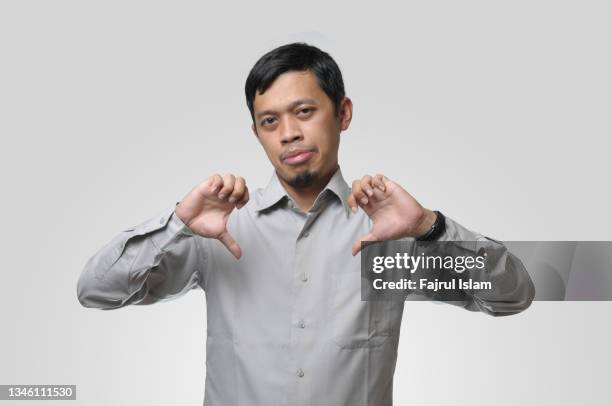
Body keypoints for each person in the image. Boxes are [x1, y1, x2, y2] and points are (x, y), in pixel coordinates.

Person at [77, 42, 535, 406]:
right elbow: (95, 290)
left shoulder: (386, 235)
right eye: (269, 121)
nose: (288, 133)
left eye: (304, 112)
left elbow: (514, 295)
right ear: (257, 134)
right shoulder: (220, 231)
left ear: (344, 113)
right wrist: (177, 222)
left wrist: (431, 228)